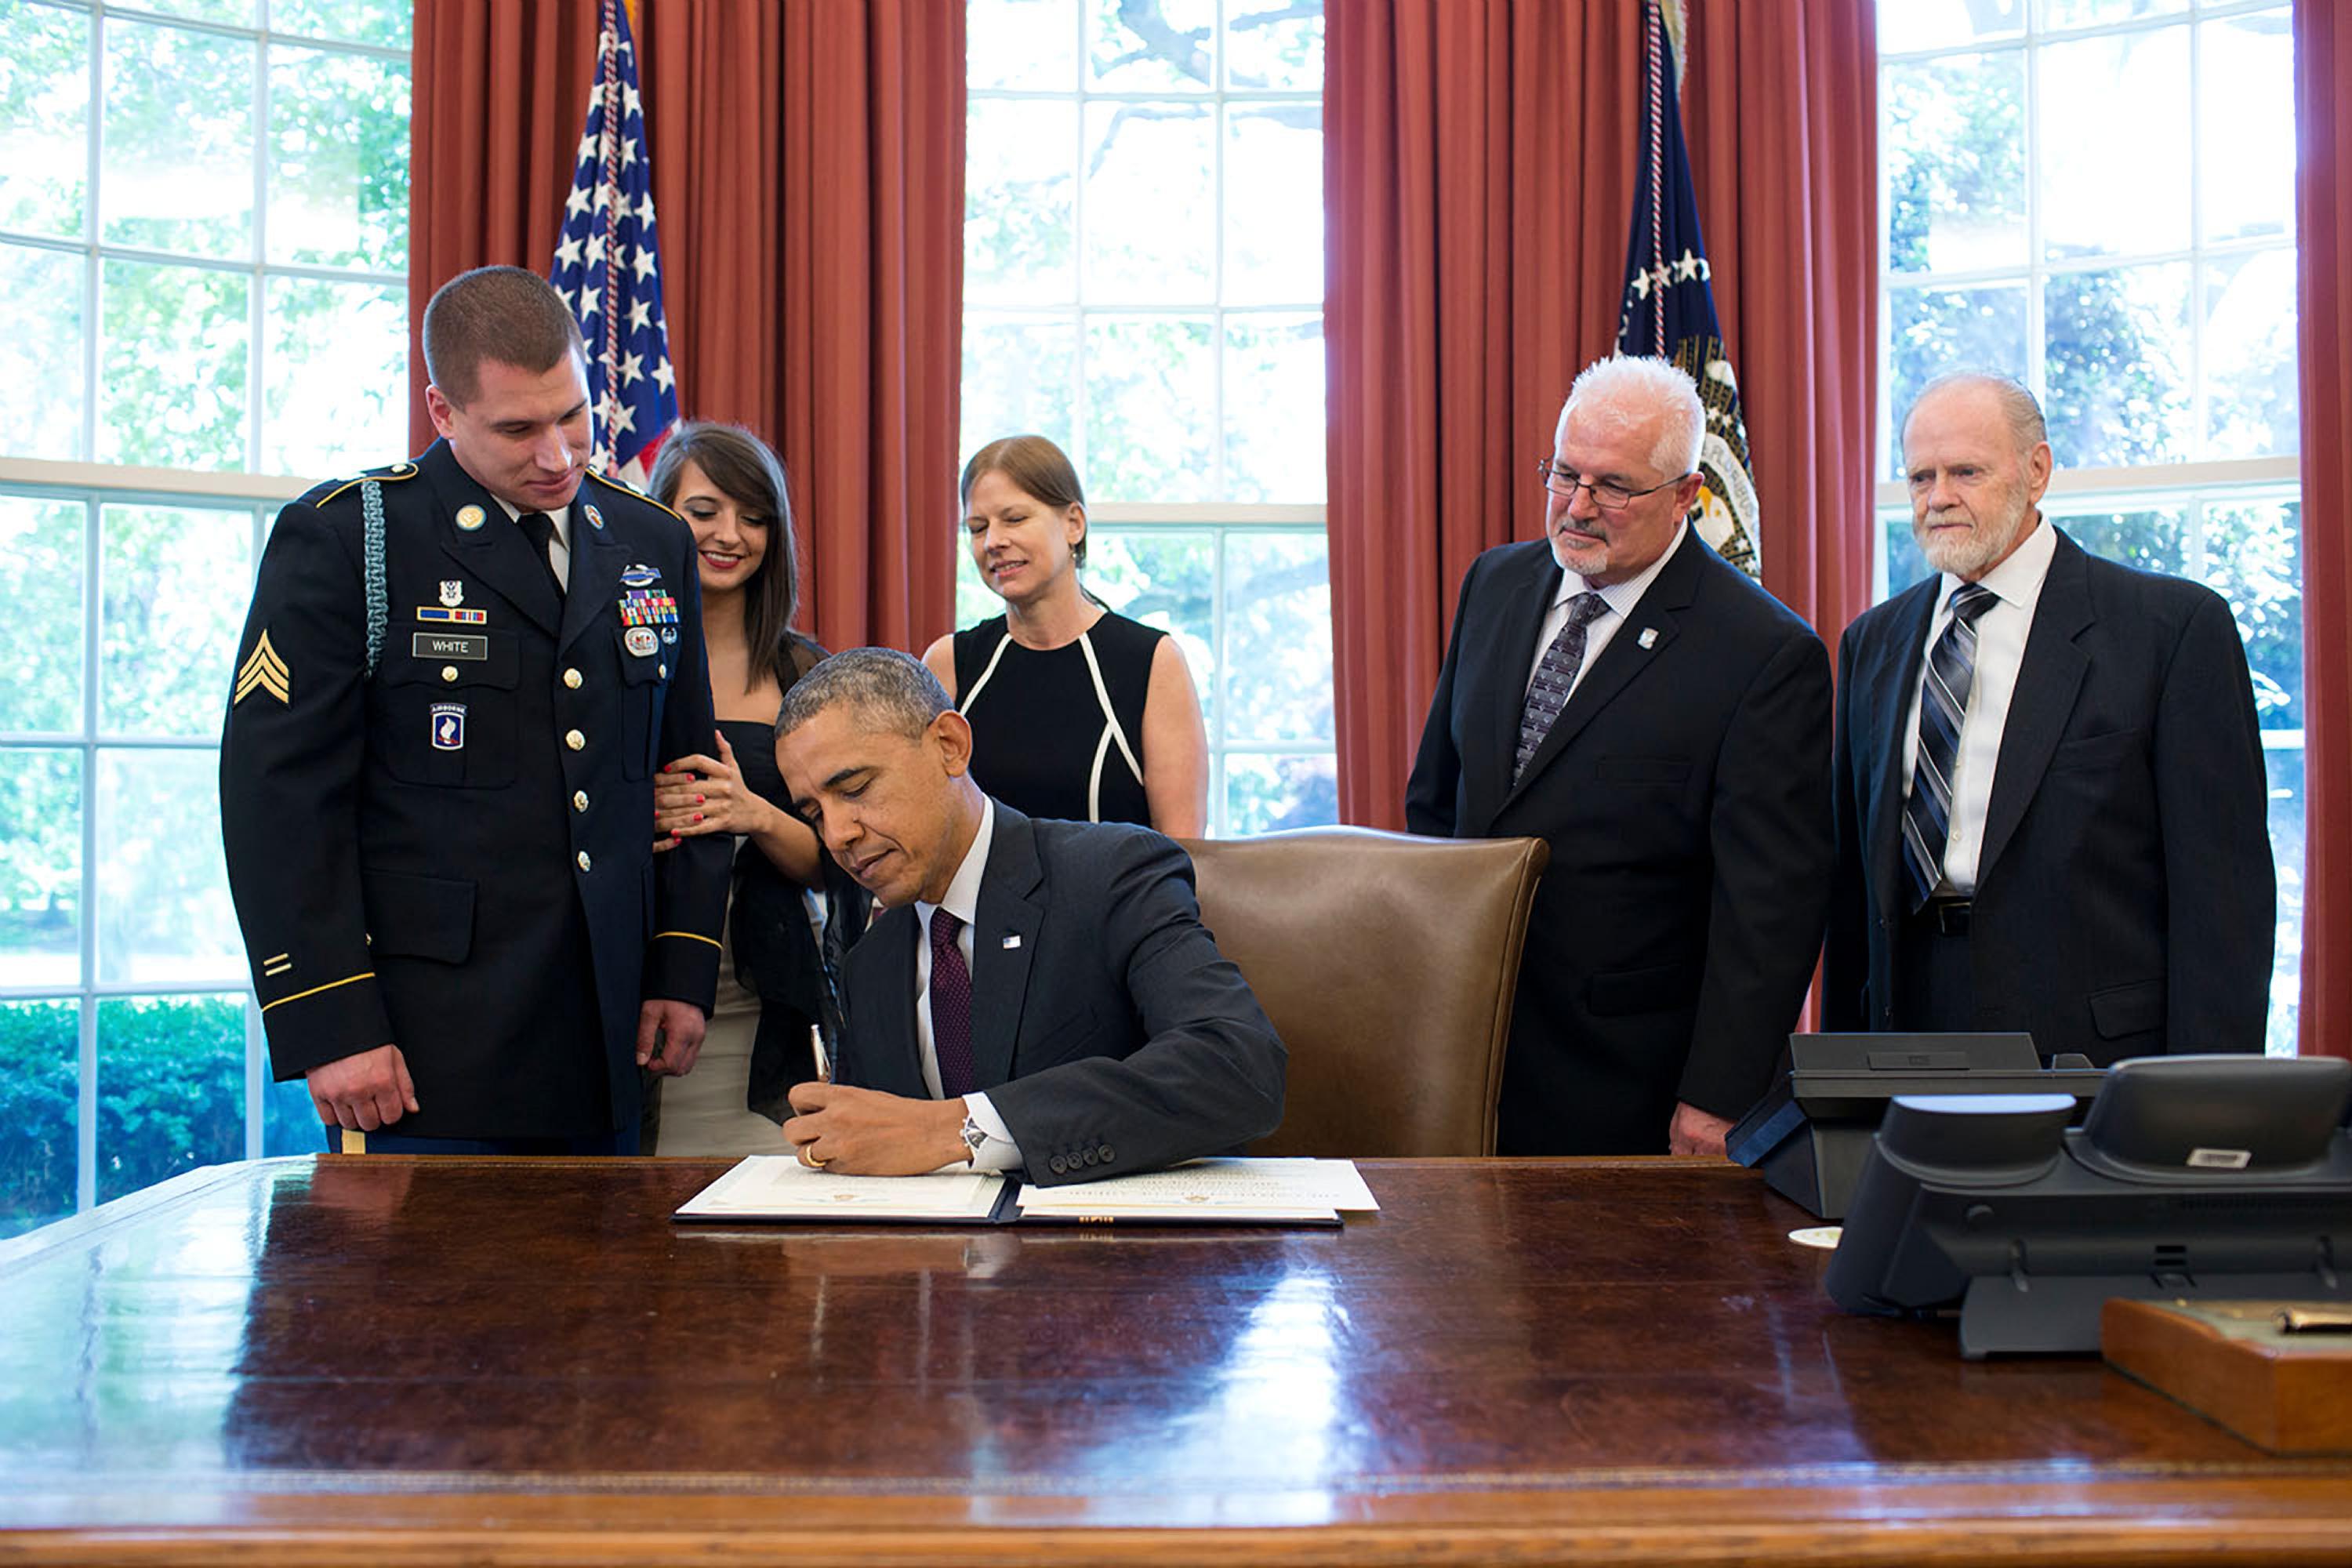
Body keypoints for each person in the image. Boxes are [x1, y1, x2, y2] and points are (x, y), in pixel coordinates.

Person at [219, 265, 731, 1153]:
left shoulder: (651, 541)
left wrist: (683, 965)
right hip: (422, 1047)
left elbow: (687, 775)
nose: (557, 455)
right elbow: (280, 800)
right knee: (425, 1292)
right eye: (517, 428)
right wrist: (331, 1020)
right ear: (441, 410)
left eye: (571, 415)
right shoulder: (352, 538)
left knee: (606, 1294)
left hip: (610, 1031)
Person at [1405, 355, 1832, 1158]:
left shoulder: (1763, 654)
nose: (1578, 505)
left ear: (1686, 495)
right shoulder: (1495, 583)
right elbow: (1437, 798)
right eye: (1564, 473)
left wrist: (1717, 1093)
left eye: (1614, 486)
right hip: (1462, 1052)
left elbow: (1769, 911)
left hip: (1629, 1076)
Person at [1825, 372, 2274, 1062]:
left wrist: (2206, 1099)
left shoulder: (2171, 629)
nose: (1938, 497)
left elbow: (2224, 903)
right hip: (1907, 1035)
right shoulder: (1872, 643)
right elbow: (1854, 890)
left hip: (2092, 1050)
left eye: (1966, 471)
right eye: (1921, 477)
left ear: (2037, 472)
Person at [772, 648, 1285, 1182]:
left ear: (950, 745)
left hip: (1117, 1253)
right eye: (813, 813)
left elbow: (1240, 1068)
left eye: (854, 789)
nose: (836, 835)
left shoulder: (1110, 875)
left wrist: (958, 1129)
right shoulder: (868, 965)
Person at [641, 421, 869, 1153]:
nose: (729, 534)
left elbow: (845, 862)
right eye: (704, 512)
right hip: (636, 991)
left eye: (753, 516)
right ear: (661, 517)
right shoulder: (618, 658)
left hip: (772, 1001)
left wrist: (754, 814)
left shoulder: (809, 674)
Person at [920, 434, 1208, 834]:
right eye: (977, 527)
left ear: (1074, 523)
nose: (993, 541)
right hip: (982, 900)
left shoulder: (1153, 661)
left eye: (1015, 519)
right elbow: (923, 827)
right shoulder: (949, 662)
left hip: (1120, 898)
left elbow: (1184, 852)